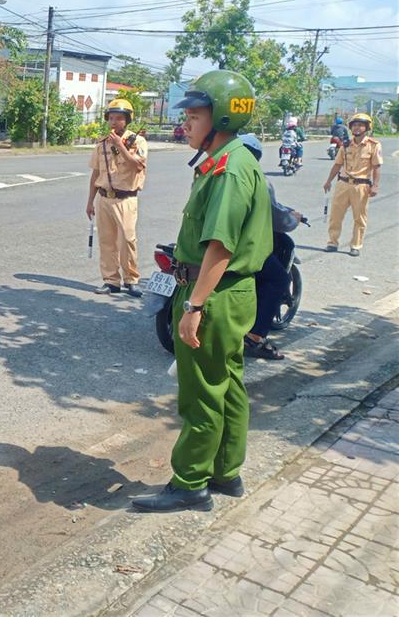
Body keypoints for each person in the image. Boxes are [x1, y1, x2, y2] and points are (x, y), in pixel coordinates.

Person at [132, 70, 272, 512]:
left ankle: (190, 483)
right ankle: (225, 472)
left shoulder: (229, 169)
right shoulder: (225, 160)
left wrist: (194, 306)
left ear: (224, 118)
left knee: (201, 394)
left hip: (212, 293)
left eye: (194, 115)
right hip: (229, 295)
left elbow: (219, 247)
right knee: (227, 385)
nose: (185, 124)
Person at [239, 134, 304, 360]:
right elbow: (277, 218)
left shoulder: (211, 172)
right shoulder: (258, 180)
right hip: (239, 246)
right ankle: (255, 338)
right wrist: (294, 219)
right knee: (279, 279)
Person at [85, 98, 149, 297]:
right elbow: (96, 173)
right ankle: (111, 280)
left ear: (127, 120)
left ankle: (131, 280)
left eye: (119, 118)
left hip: (126, 199)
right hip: (104, 198)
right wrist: (90, 201)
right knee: (107, 241)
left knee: (128, 240)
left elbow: (137, 165)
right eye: (111, 118)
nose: (114, 122)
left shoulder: (137, 141)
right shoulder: (102, 144)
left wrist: (120, 146)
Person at [323, 113, 382, 257]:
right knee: (335, 216)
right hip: (343, 184)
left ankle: (356, 245)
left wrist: (375, 185)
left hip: (361, 186)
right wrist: (328, 180)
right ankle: (332, 242)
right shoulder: (345, 144)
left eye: (360, 125)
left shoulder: (373, 145)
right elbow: (337, 164)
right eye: (354, 125)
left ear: (367, 127)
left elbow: (376, 167)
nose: (356, 128)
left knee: (359, 217)